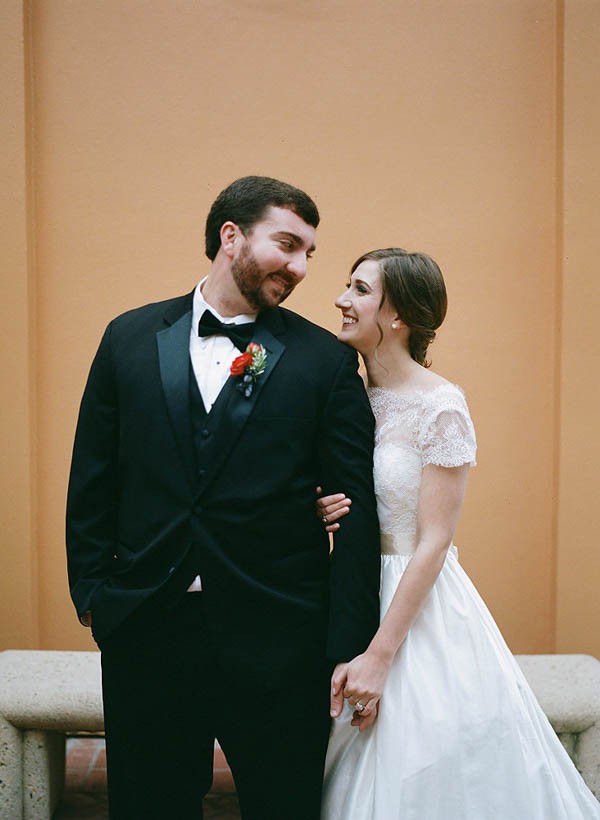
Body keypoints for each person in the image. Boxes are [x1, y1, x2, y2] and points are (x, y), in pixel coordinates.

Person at [66, 176, 381, 820]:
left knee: (283, 804)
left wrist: (347, 641)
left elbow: (357, 510)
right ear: (230, 237)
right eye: (287, 245)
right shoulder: (127, 337)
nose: (298, 268)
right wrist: (95, 596)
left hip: (280, 637)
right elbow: (93, 477)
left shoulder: (322, 361)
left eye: (308, 255)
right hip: (148, 630)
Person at [318, 248, 600, 819]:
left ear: (397, 315)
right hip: (348, 591)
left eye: (360, 290)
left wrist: (378, 655)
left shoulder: (441, 406)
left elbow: (434, 541)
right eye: (347, 287)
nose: (342, 301)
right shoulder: (347, 396)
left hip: (416, 605)